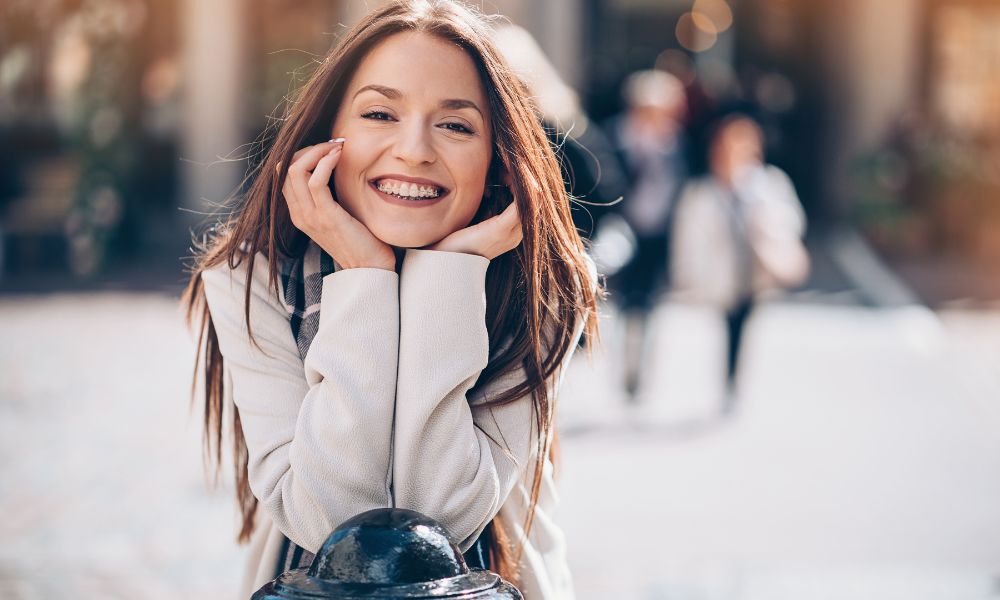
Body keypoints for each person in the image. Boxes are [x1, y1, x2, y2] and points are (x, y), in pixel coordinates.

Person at [180, 2, 599, 599]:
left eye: (455, 125)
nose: (414, 150)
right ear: (330, 136)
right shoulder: (252, 282)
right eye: (381, 113)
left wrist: (450, 277)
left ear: (499, 160)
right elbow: (334, 525)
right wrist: (365, 275)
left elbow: (444, 519)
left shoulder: (543, 290)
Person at [671, 114, 808, 415]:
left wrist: (764, 224)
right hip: (721, 276)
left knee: (742, 326)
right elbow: (688, 239)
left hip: (754, 274)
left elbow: (791, 223)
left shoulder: (768, 184)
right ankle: (728, 383)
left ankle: (732, 384)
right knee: (728, 324)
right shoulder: (704, 190)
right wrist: (686, 277)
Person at [602, 69, 689, 400]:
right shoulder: (616, 137)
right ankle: (622, 364)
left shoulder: (676, 142)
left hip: (659, 234)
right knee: (620, 302)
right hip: (623, 231)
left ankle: (637, 370)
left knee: (648, 304)